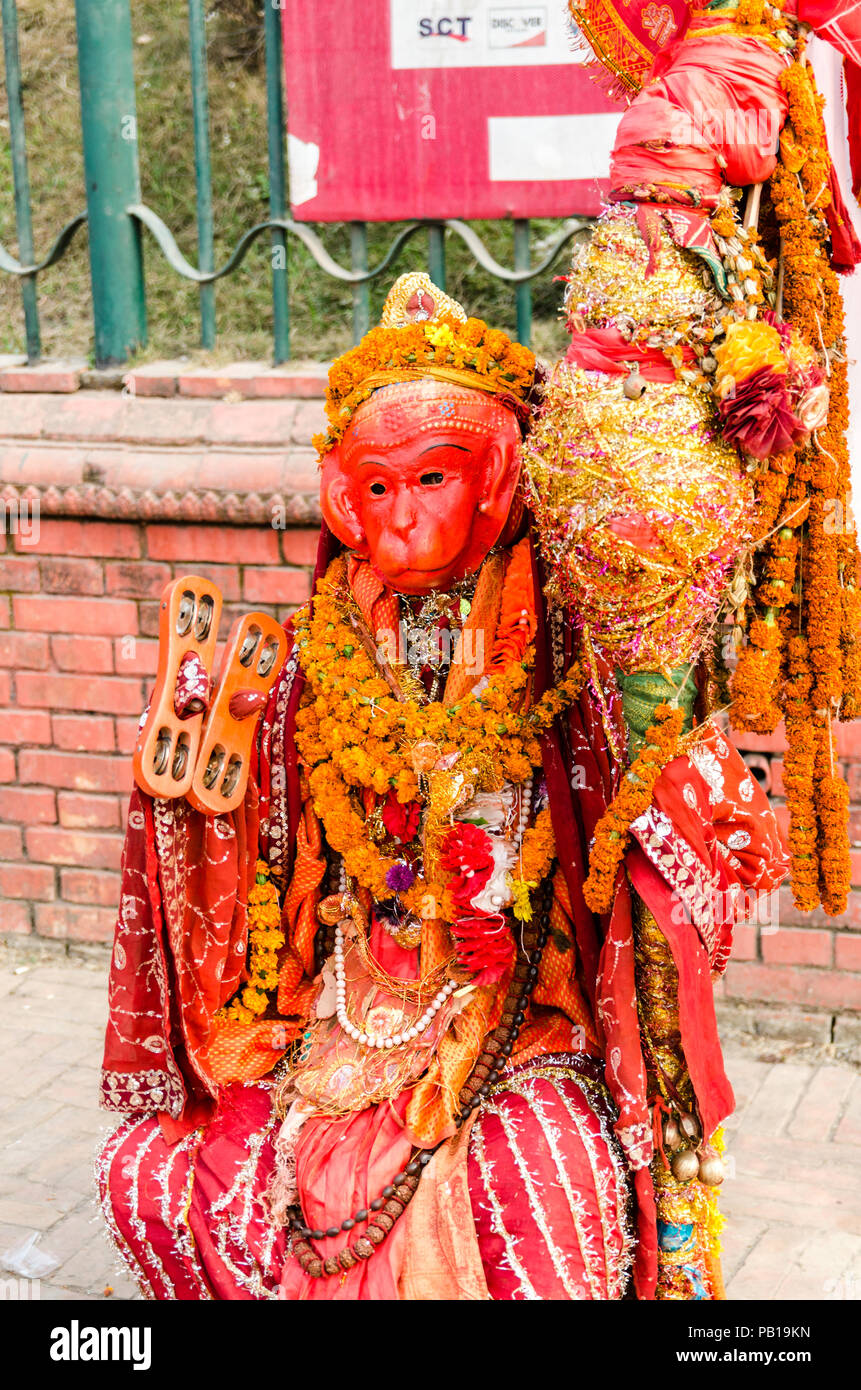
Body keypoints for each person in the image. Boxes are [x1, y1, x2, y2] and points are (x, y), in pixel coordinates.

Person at [96, 272, 788, 1300]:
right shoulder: (314, 655)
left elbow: (662, 803)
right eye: (379, 490)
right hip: (339, 1007)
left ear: (497, 479)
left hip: (509, 1008)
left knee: (534, 1174)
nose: (403, 521)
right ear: (342, 494)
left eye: (432, 482)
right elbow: (246, 820)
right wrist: (193, 776)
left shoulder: (563, 655)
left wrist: (670, 763)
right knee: (150, 1173)